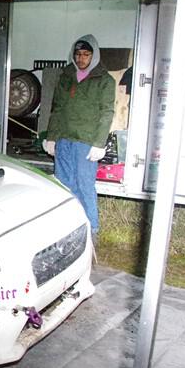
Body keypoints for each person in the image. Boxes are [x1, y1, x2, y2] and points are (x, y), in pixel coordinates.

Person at [43, 34, 115, 236]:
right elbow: (57, 109)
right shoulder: (65, 76)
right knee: (64, 184)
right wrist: (51, 137)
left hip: (86, 142)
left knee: (84, 185)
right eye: (78, 54)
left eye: (86, 54)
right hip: (64, 140)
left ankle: (91, 230)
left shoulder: (105, 80)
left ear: (94, 56)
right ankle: (68, 228)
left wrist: (99, 143)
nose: (81, 58)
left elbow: (107, 112)